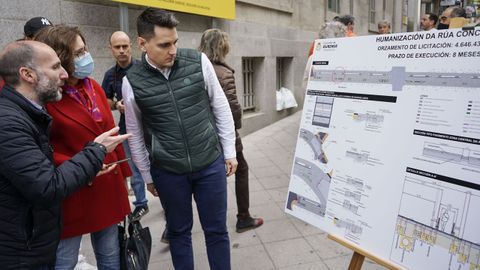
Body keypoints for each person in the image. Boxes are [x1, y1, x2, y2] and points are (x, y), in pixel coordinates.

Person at [123, 8, 237, 270]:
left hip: (209, 162)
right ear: (143, 43)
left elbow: (220, 106)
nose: (172, 50)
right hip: (169, 172)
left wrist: (229, 151)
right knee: (179, 233)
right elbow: (135, 135)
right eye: (164, 44)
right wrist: (148, 176)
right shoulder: (132, 82)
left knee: (217, 230)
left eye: (175, 42)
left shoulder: (198, 61)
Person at [0, 40, 129, 269]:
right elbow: (47, 185)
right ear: (27, 74)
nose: (63, 73)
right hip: (23, 249)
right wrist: (96, 151)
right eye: (55, 66)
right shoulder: (9, 122)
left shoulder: (28, 113)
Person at [34, 25, 132, 269]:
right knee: (64, 261)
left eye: (85, 50)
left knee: (111, 258)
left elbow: (111, 131)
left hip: (107, 185)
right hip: (72, 189)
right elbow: (40, 149)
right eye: (77, 53)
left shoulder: (93, 88)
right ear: (61, 59)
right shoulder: (47, 96)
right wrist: (76, 166)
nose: (85, 57)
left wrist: (124, 176)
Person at [198, 29, 264, 233]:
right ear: (222, 46)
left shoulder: (196, 68)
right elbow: (232, 107)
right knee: (241, 169)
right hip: (223, 133)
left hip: (201, 133)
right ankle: (243, 217)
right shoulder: (224, 72)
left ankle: (170, 226)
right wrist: (235, 130)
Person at [102, 31, 150, 221]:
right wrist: (117, 105)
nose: (122, 51)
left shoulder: (144, 68)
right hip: (127, 129)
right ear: (111, 49)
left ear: (131, 46)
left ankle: (166, 200)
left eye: (125, 46)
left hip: (150, 126)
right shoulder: (110, 75)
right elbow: (105, 100)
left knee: (159, 164)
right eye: (117, 47)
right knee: (134, 167)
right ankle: (141, 204)